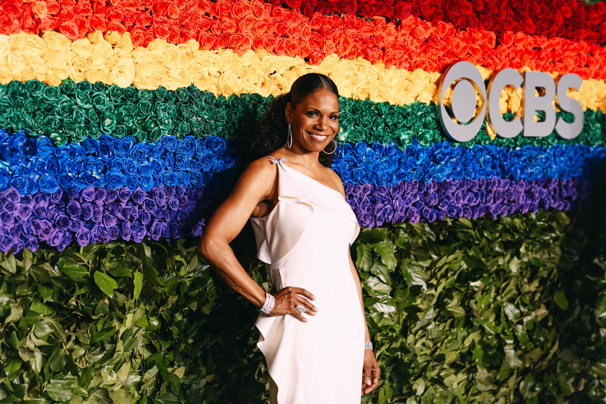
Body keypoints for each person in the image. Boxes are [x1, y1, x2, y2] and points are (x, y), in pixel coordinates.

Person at [198, 73, 380, 403]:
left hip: (346, 329)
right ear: (289, 113)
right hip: (303, 322)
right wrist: (268, 302)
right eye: (313, 113)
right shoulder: (267, 171)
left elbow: (345, 265)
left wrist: (365, 343)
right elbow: (213, 242)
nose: (324, 124)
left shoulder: (333, 181)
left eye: (332, 116)